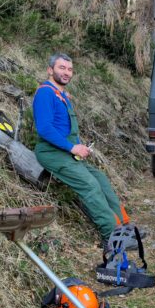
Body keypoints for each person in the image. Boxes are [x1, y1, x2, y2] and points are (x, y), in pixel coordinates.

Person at [33, 53, 129, 253]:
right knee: (90, 185)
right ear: (50, 70)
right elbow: (44, 128)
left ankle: (124, 227)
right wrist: (72, 148)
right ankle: (110, 238)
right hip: (51, 152)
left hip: (67, 151)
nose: (66, 72)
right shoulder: (45, 93)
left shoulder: (62, 96)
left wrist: (80, 146)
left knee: (101, 179)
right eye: (61, 68)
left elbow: (66, 129)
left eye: (69, 69)